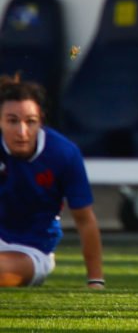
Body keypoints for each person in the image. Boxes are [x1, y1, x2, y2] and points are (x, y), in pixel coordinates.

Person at [0, 74, 105, 289]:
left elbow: (85, 220)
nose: (22, 132)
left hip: (30, 250)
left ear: (41, 121)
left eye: (30, 122)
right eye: (12, 121)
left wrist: (96, 280)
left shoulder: (63, 154)